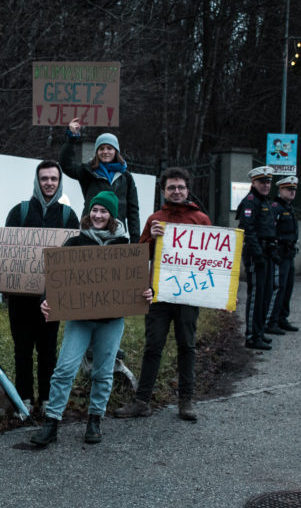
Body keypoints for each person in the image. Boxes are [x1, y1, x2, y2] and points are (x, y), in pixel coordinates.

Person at [29, 191, 153, 447]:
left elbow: (138, 284)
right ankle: (52, 422)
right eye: (94, 210)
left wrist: (148, 292)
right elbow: (56, 279)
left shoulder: (125, 248)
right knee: (64, 369)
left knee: (104, 372)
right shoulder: (75, 244)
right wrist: (46, 298)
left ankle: (95, 419)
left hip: (111, 320)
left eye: (104, 211)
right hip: (79, 320)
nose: (98, 215)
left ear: (112, 216)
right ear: (89, 213)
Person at [114, 167, 211, 422]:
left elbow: (212, 260)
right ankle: (142, 401)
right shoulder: (155, 218)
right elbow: (140, 255)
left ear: (187, 190)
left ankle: (186, 401)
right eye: (171, 187)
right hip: (158, 293)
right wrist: (151, 239)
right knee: (153, 346)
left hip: (189, 293)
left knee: (187, 346)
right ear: (164, 191)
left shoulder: (200, 219)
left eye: (180, 187)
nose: (176, 191)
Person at [4, 160, 80, 415]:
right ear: (37, 182)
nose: (49, 183)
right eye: (44, 179)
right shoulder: (19, 212)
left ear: (59, 182)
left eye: (53, 179)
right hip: (20, 299)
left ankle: (47, 399)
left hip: (52, 298)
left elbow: (75, 258)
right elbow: (7, 253)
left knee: (48, 350)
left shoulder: (68, 216)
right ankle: (24, 398)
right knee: (22, 350)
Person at [61, 117, 140, 243]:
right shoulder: (88, 172)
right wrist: (72, 138)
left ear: (116, 151)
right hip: (90, 234)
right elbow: (66, 165)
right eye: (101, 148)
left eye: (109, 148)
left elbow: (133, 211)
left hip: (115, 237)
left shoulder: (126, 177)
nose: (105, 152)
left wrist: (136, 240)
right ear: (97, 152)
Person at [236, 166, 277, 350]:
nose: (266, 185)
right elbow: (248, 230)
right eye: (262, 182)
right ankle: (251, 336)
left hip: (266, 253)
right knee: (256, 297)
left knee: (265, 295)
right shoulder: (250, 202)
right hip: (256, 255)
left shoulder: (264, 201)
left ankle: (259, 332)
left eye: (268, 182)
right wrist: (258, 254)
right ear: (254, 183)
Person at [265, 176, 300, 333]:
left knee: (287, 287)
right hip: (279, 253)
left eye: (293, 190)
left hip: (289, 253)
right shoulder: (275, 208)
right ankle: (270, 321)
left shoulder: (288, 208)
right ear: (280, 190)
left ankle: (281, 318)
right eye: (289, 189)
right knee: (278, 287)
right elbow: (270, 230)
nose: (292, 192)